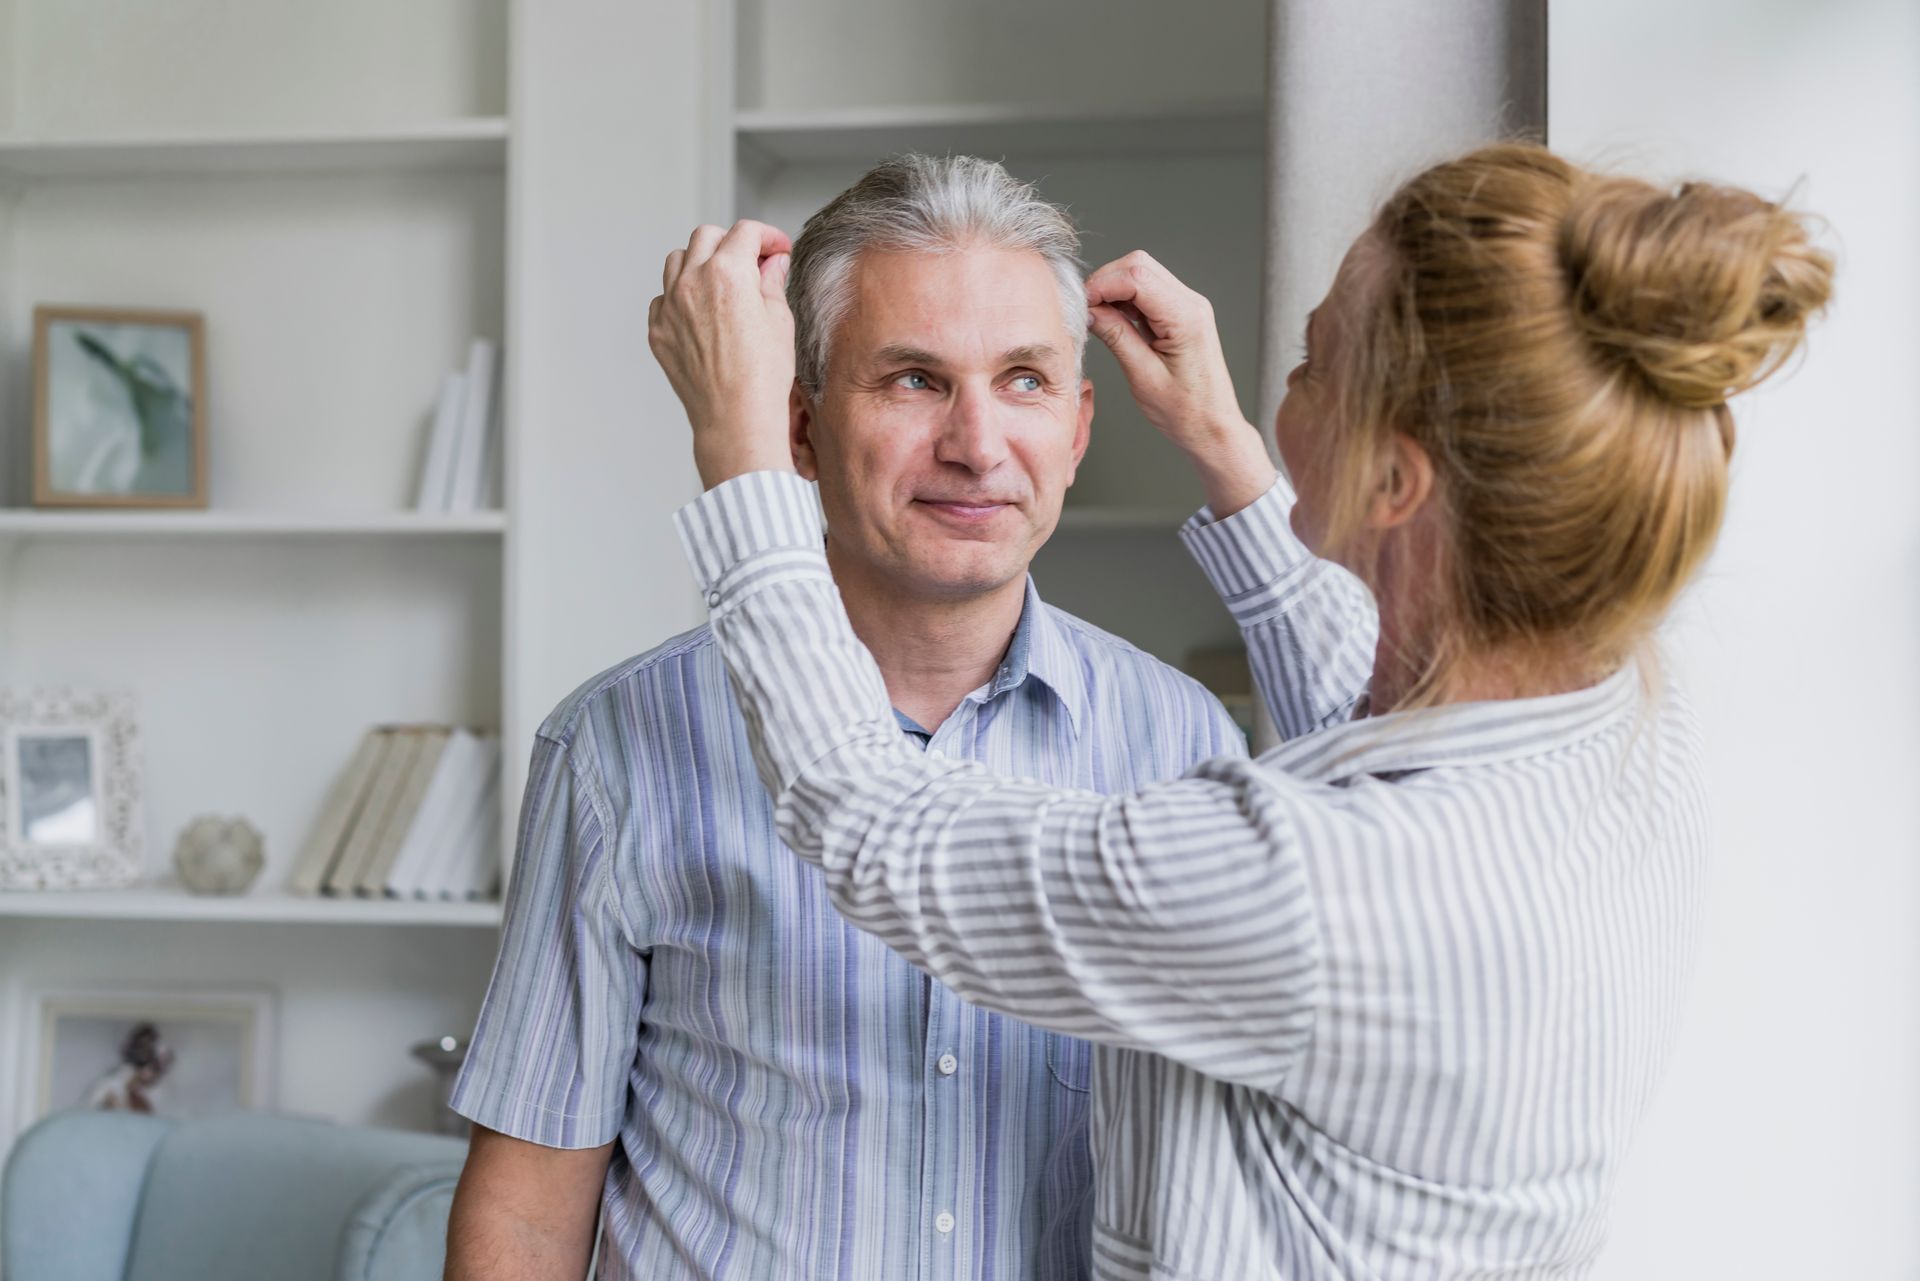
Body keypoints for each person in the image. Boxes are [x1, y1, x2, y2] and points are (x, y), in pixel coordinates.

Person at [649, 142, 1833, 1279]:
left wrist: (741, 450)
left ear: (1394, 480)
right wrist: (1220, 445)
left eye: (1311, 364)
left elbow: (873, 824)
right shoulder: (1623, 719)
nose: (1276, 398)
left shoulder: (1308, 879)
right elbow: (1381, 715)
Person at [444, 155, 1247, 1281]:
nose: (977, 443)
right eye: (914, 380)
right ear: (801, 430)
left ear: (1077, 427)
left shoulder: (1186, 750)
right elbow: (528, 1214)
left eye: (1023, 379)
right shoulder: (619, 745)